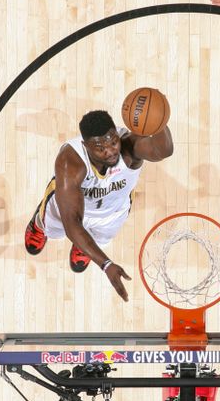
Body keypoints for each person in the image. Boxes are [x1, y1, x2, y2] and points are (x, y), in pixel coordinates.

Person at [24, 110, 174, 302]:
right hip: (69, 208)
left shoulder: (129, 146)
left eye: (113, 142)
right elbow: (72, 223)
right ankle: (38, 226)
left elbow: (163, 150)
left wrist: (158, 120)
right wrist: (106, 264)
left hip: (113, 211)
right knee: (53, 228)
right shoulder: (71, 161)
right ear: (86, 146)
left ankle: (85, 246)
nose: (110, 151)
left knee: (99, 240)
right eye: (100, 148)